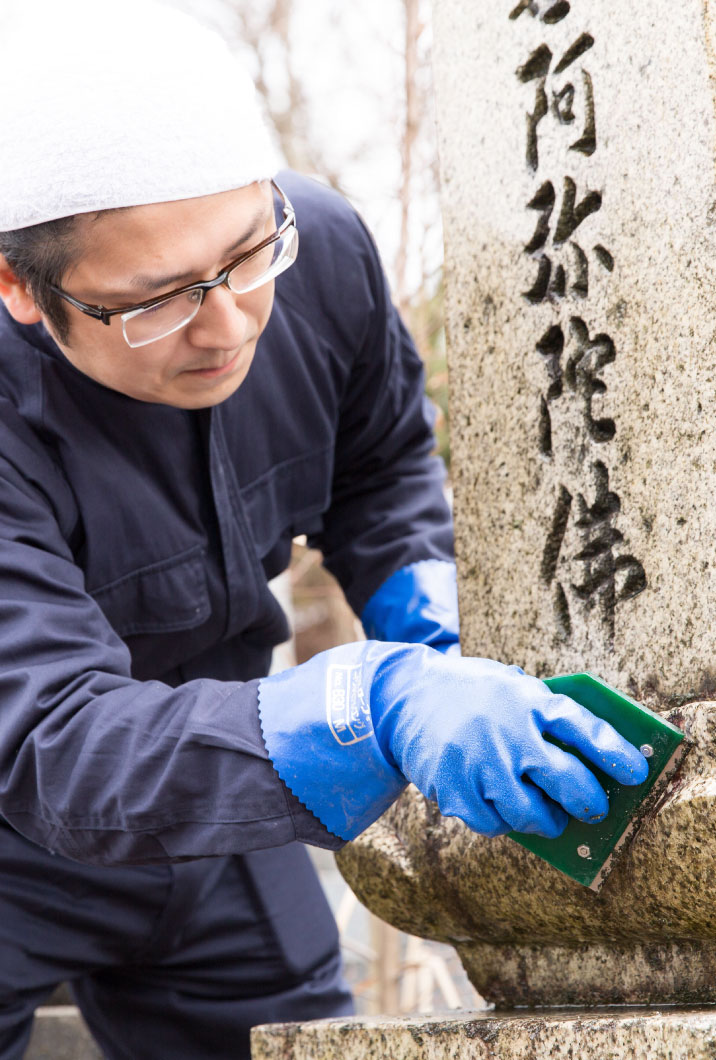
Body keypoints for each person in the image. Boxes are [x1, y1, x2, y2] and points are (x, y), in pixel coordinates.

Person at [0, 2, 648, 1057]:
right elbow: (52, 742)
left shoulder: (323, 253)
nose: (228, 324)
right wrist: (368, 705)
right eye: (157, 300)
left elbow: (382, 465)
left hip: (221, 790)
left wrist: (427, 621)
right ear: (23, 289)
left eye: (247, 253)